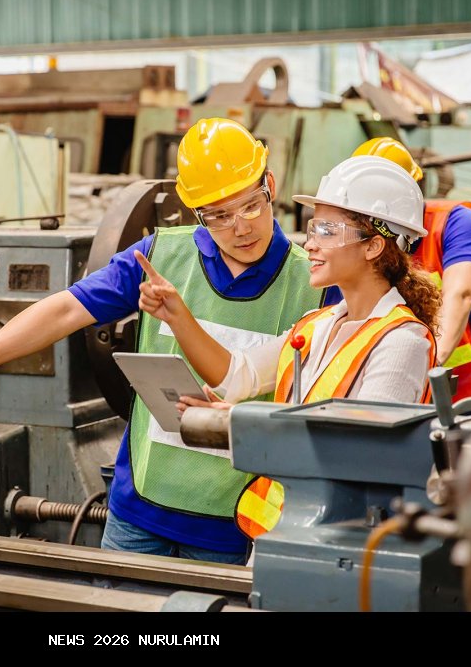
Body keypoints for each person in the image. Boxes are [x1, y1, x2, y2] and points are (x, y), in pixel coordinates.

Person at [0, 117, 321, 564]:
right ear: (197, 213)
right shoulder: (160, 256)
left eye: (251, 206)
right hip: (138, 515)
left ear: (270, 184)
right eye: (219, 216)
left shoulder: (314, 284)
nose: (241, 227)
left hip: (232, 522)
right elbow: (67, 308)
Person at [137, 155, 440, 540]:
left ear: (373, 246)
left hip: (342, 542)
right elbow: (237, 376)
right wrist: (178, 316)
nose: (309, 245)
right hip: (289, 531)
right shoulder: (317, 326)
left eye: (327, 231)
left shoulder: (401, 342)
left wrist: (239, 424)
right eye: (312, 229)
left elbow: (363, 454)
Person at [322, 138, 471, 411]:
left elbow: (460, 295)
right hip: (394, 391)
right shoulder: (358, 243)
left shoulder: (454, 222)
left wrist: (425, 363)